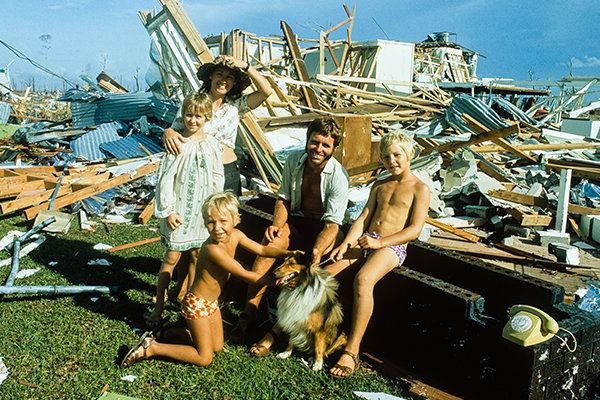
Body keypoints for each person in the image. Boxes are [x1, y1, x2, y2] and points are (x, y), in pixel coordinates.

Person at [121, 192, 301, 368]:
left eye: (223, 221)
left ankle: (165, 330)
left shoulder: (237, 235)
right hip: (196, 304)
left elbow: (262, 250)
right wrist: (278, 281)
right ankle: (151, 348)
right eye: (211, 223)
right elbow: (244, 274)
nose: (217, 228)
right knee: (204, 358)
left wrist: (288, 253)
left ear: (236, 219)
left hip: (211, 303)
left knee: (217, 347)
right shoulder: (212, 249)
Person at [232, 116, 349, 352]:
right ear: (307, 140)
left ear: (334, 148)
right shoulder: (295, 160)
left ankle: (277, 331)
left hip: (327, 228)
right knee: (271, 241)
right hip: (299, 221)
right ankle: (248, 314)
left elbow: (332, 224)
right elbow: (283, 198)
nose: (319, 149)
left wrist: (317, 250)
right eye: (315, 142)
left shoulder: (339, 176)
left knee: (314, 268)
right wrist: (276, 224)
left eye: (326, 145)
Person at [326, 130, 430, 378]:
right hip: (367, 240)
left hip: (392, 247)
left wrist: (380, 243)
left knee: (363, 280)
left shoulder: (420, 188)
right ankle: (314, 332)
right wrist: (346, 244)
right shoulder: (379, 184)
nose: (391, 161)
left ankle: (352, 350)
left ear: (410, 154)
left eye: (397, 155)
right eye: (386, 157)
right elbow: (363, 218)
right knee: (324, 275)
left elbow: (415, 230)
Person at [144, 92, 224, 330]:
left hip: (202, 211)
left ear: (207, 117)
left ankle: (187, 303)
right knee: (171, 257)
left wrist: (215, 208)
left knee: (198, 257)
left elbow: (217, 176)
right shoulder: (178, 143)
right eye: (189, 115)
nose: (192, 120)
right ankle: (158, 307)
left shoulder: (212, 144)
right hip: (179, 211)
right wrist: (168, 210)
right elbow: (166, 180)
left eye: (198, 116)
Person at [163, 55, 273, 196]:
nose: (223, 80)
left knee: (226, 215)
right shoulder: (194, 103)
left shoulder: (237, 105)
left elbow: (266, 91)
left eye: (229, 77)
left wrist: (245, 66)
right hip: (198, 169)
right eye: (219, 74)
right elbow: (176, 130)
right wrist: (168, 132)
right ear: (210, 76)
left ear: (234, 83)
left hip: (227, 170)